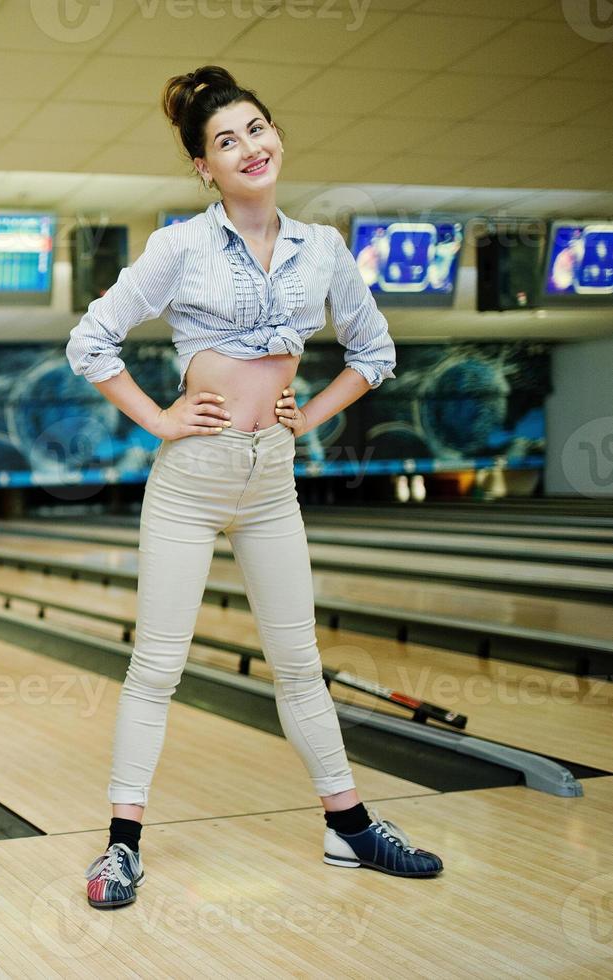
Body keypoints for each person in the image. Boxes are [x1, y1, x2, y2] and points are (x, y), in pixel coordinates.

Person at [66, 65, 444, 911]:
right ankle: (122, 844)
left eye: (255, 129)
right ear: (203, 167)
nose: (248, 147)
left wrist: (305, 417)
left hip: (273, 480)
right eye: (225, 141)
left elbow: (373, 353)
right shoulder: (179, 247)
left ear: (276, 136)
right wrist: (159, 420)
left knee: (299, 665)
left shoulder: (323, 250)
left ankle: (347, 826)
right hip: (191, 483)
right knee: (155, 667)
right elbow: (91, 343)